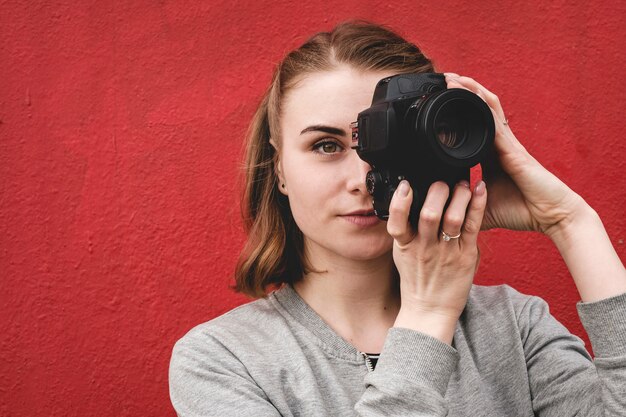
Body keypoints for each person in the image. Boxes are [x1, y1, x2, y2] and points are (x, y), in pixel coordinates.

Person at [169, 21, 626, 416]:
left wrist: (571, 222)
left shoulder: (514, 326)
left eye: (383, 144)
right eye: (327, 146)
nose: (362, 179)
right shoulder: (224, 359)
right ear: (280, 169)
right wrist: (428, 317)